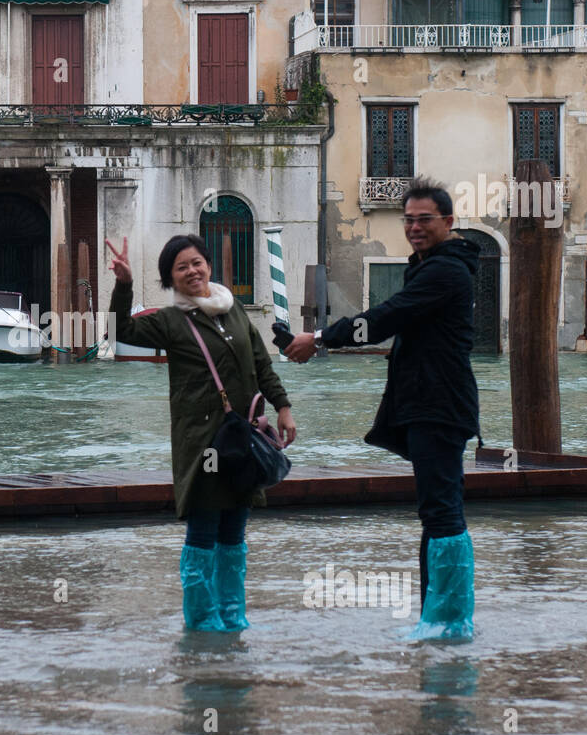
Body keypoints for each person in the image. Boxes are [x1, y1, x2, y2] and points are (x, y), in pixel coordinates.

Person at [284, 179, 479, 641]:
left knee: (442, 513)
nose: (413, 227)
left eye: (423, 219)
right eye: (408, 219)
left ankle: (449, 623)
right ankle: (439, 617)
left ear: (447, 222)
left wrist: (320, 338)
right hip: (429, 405)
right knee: (436, 512)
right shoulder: (431, 267)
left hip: (438, 406)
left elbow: (384, 319)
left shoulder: (445, 272)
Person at [107, 233, 296, 632]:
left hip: (242, 439)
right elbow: (122, 331)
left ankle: (232, 615)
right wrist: (124, 284)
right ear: (170, 280)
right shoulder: (169, 321)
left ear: (208, 265)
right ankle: (201, 620)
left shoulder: (236, 310)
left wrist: (283, 407)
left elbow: (262, 365)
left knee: (234, 532)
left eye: (196, 262)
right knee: (204, 528)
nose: (192, 271)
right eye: (181, 267)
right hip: (203, 443)